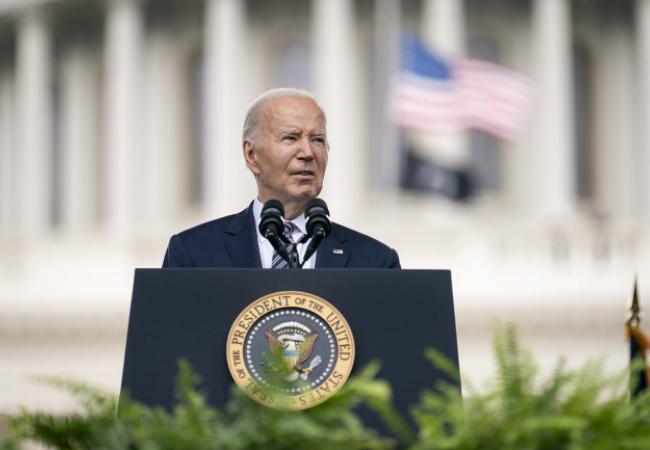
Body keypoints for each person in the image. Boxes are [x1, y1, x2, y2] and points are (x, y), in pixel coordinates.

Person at [163, 88, 400, 269]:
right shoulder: (193, 254)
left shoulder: (376, 262)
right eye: (290, 138)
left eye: (317, 139)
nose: (307, 153)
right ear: (251, 154)